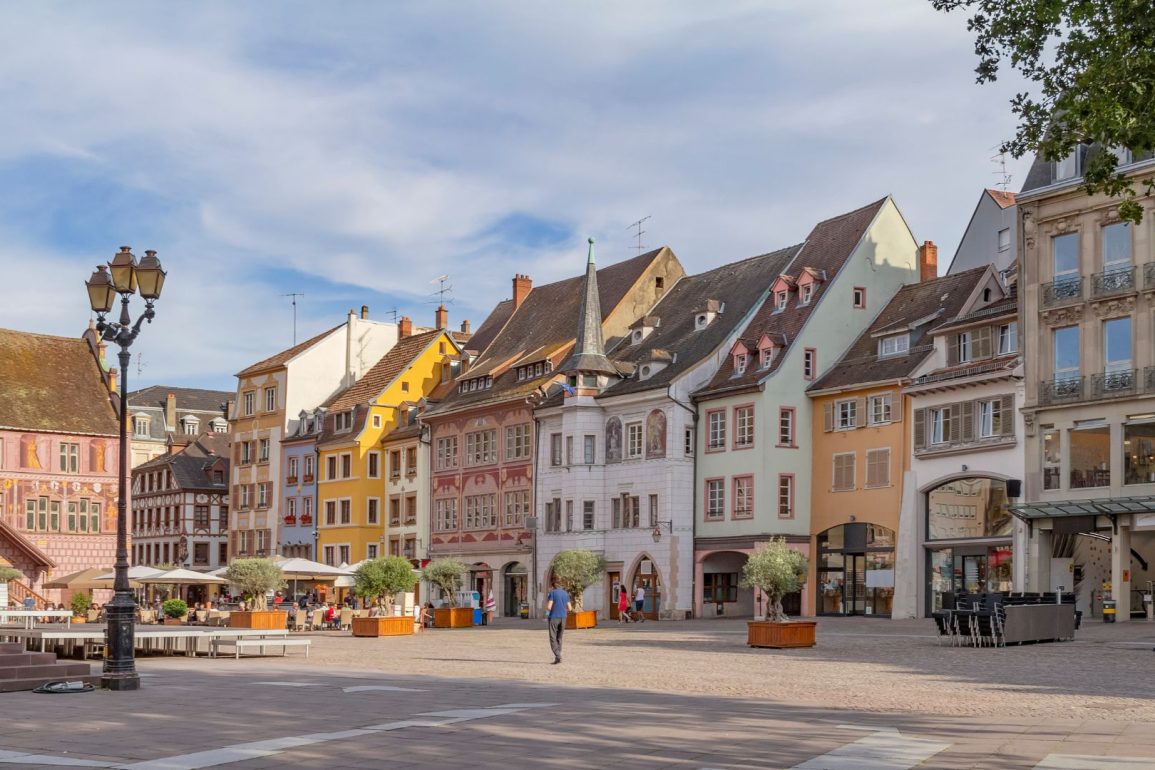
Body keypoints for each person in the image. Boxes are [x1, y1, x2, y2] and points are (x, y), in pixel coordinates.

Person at [544, 580, 572, 665]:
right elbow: (570, 608)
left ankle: (558, 655)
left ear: (553, 586)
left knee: (553, 637)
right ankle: (557, 657)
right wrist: (563, 611)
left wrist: (546, 615)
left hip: (554, 617)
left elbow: (549, 607)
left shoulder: (552, 593)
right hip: (563, 617)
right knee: (559, 637)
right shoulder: (566, 594)